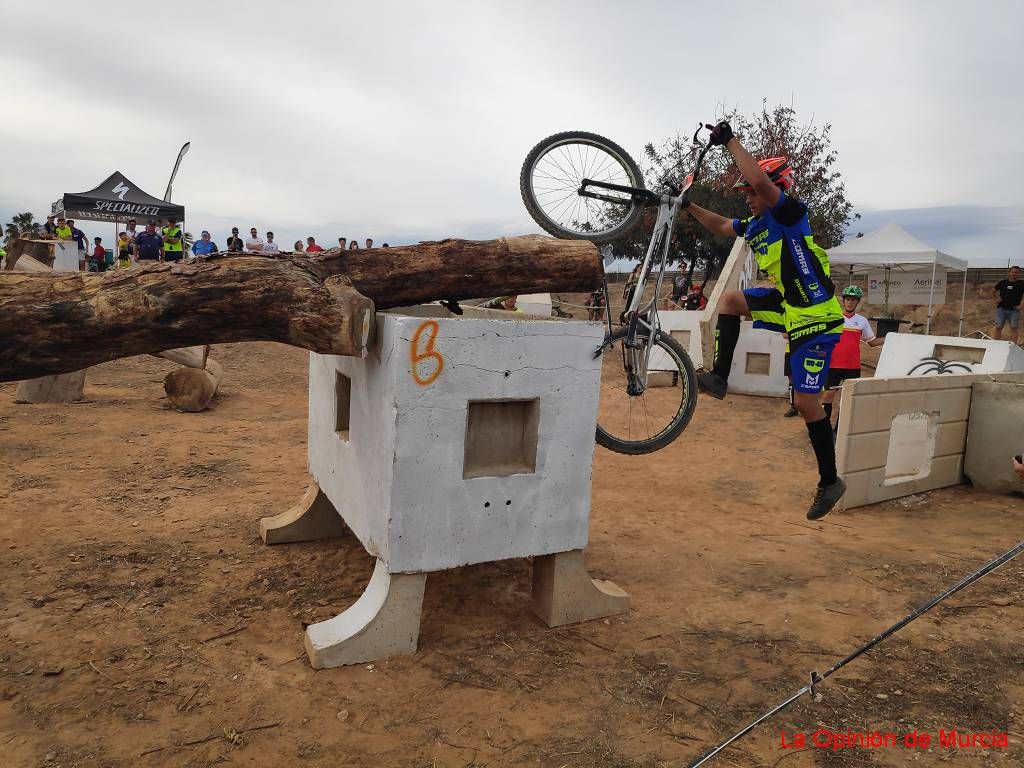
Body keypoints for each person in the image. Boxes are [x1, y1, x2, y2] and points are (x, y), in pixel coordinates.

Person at [685, 120, 845, 520]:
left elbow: (762, 180)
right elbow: (722, 225)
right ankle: (719, 377)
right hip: (789, 305)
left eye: (751, 192)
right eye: (744, 193)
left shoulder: (791, 213)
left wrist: (730, 142)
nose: (747, 199)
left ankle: (830, 481)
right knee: (731, 300)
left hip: (817, 316)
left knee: (807, 403)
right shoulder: (755, 225)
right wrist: (688, 205)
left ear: (771, 189)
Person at [822, 285, 884, 430]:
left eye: (853, 300)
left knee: (848, 399)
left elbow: (872, 342)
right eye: (848, 299)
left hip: (852, 366)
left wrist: (889, 337)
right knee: (827, 396)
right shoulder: (833, 318)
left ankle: (840, 430)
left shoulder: (862, 321)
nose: (850, 302)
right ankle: (823, 430)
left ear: (857, 302)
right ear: (843, 301)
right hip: (833, 364)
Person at [992, 265, 1023, 343]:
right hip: (1001, 309)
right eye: (1012, 272)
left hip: (1014, 310)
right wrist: (996, 299)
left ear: (1019, 274)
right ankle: (995, 344)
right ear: (1009, 273)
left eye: (1016, 272)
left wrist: (1022, 305)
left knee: (1014, 328)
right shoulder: (1003, 282)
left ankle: (1014, 346)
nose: (1014, 274)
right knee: (998, 327)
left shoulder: (1022, 284)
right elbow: (993, 291)